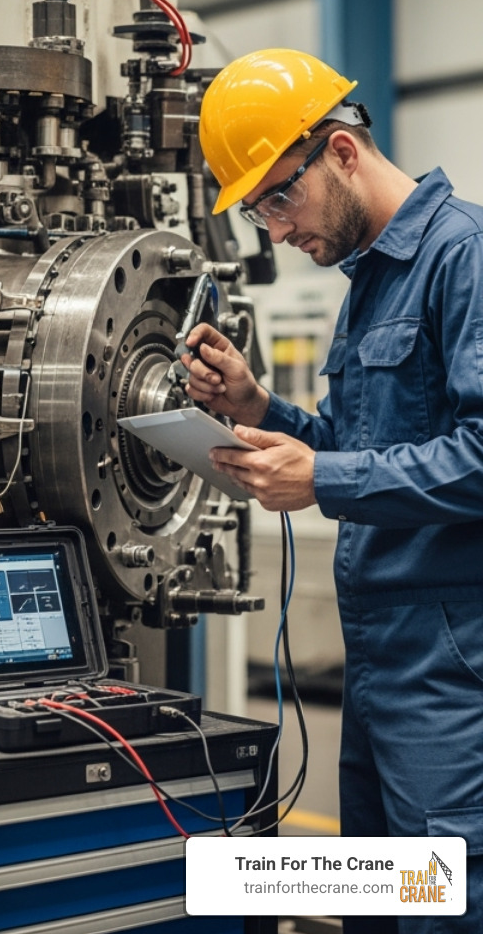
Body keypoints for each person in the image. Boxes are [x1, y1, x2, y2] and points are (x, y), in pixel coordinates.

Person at [182, 48, 483, 932]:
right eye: (256, 211)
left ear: (342, 152)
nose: (273, 230)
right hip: (380, 678)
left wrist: (325, 476)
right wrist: (260, 407)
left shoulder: (463, 258)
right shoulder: (369, 285)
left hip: (452, 684)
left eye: (279, 197)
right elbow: (365, 450)